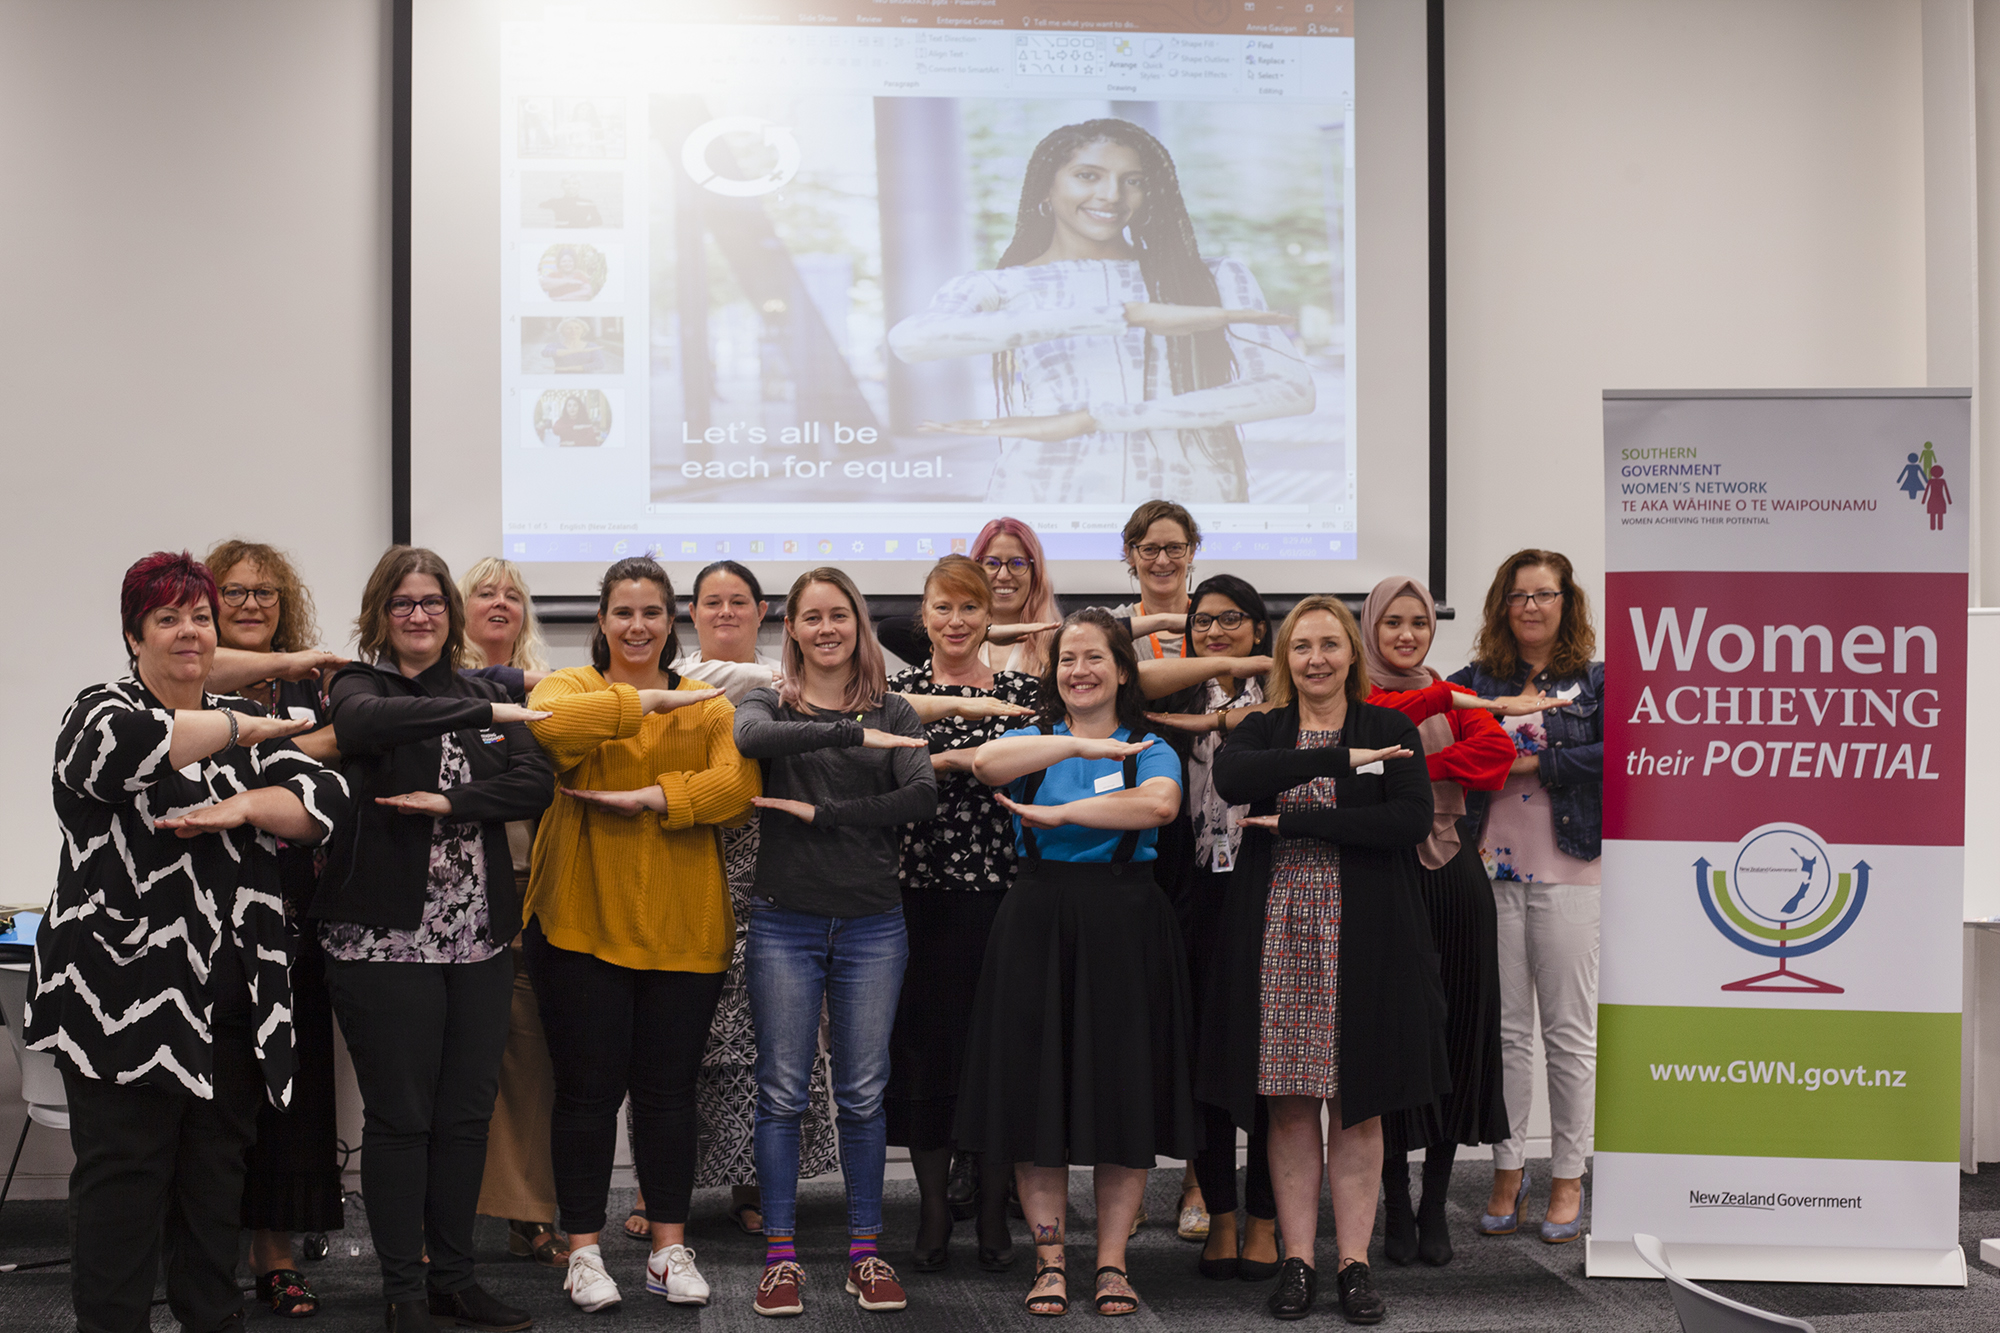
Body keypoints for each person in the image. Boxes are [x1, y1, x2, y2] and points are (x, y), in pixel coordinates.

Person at [28, 552, 347, 1333]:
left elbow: (324, 799)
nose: (189, 631)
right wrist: (242, 727)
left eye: (199, 617)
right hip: (120, 1004)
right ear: (134, 636)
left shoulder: (241, 731)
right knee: (125, 1191)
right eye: (167, 618)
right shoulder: (101, 710)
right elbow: (128, 751)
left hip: (232, 1006)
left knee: (215, 1191)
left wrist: (245, 807)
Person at [314, 546, 555, 1333]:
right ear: (381, 615)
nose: (420, 615)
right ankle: (402, 1290)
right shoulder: (361, 684)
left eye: (432, 602)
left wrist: (452, 803)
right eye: (403, 603)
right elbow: (363, 726)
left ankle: (454, 1278)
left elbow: (534, 783)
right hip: (382, 944)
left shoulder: (484, 687)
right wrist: (485, 713)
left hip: (478, 940)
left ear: (450, 615)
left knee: (464, 1117)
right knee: (401, 1118)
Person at [521, 556, 759, 1311]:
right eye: (623, 611)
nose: (637, 625)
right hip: (578, 921)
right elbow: (553, 730)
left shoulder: (714, 705)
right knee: (587, 1094)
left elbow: (739, 785)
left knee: (667, 1095)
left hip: (685, 927)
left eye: (652, 612)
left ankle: (667, 1247)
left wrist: (658, 796)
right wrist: (646, 701)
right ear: (600, 620)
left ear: (671, 620)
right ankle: (585, 1251)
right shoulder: (571, 686)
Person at [1201, 595, 1447, 1323]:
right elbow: (1234, 782)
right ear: (1286, 658)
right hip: (1276, 932)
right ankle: (1299, 1260)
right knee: (1288, 1102)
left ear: (1352, 654)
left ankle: (1355, 1264)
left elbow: (1406, 819)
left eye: (1330, 645)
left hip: (1365, 939)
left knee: (1357, 1106)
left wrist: (1302, 818)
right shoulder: (1261, 728)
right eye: (1302, 646)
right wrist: (1342, 762)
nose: (1316, 658)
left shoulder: (1391, 725)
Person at [957, 608, 1195, 1318]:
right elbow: (985, 765)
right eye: (1067, 660)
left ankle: (1115, 1263)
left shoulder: (1149, 744)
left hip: (1124, 923)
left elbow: (1160, 805)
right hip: (1037, 921)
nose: (1080, 671)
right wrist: (1073, 752)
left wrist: (1065, 817)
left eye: (1094, 658)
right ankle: (1051, 1258)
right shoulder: (1033, 739)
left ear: (1123, 669)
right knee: (1038, 1097)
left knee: (1121, 1097)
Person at [889, 118, 1312, 503]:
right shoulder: (1000, 284)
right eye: (1087, 176)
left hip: (1189, 497)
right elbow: (913, 341)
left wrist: (1101, 418)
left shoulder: (1214, 277)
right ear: (1045, 187)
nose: (1111, 195)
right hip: (1046, 491)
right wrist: (1119, 316)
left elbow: (1291, 389)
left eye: (1133, 181)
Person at [732, 568, 938, 1317]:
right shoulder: (768, 698)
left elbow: (921, 794)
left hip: (872, 923)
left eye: (838, 615)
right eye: (810, 616)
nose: (825, 628)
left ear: (858, 623)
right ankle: (781, 1256)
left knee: (861, 1092)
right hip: (785, 920)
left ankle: (864, 1251)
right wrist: (852, 732)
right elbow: (751, 738)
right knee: (782, 1090)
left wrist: (823, 815)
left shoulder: (898, 705)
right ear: (790, 627)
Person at [658, 560, 842, 1241]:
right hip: (685, 858)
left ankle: (757, 1184)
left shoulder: (790, 686)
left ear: (764, 611)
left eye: (740, 600)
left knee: (772, 1030)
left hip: (773, 864)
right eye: (713, 601)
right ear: (693, 612)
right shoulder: (673, 682)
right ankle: (663, 1184)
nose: (726, 611)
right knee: (674, 1034)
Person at [193, 540, 348, 1319]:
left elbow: (337, 772)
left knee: (292, 1100)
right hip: (213, 935)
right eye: (236, 591)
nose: (251, 604)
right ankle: (204, 1264)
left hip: (297, 925)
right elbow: (290, 765)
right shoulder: (185, 690)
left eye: (267, 593)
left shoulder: (311, 692)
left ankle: (277, 1258)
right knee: (219, 1107)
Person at [884, 556, 1038, 1272]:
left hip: (1004, 899)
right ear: (924, 616)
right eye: (942, 608)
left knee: (999, 1052)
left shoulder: (1022, 691)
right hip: (916, 899)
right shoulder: (897, 693)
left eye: (969, 609)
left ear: (988, 618)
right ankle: (935, 1207)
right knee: (927, 1056)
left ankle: (996, 1205)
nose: (955, 621)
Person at [1449, 551, 1604, 1247]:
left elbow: (1622, 747)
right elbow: (1423, 725)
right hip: (1488, 871)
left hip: (1572, 868)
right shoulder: (1478, 682)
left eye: (1546, 594)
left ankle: (1568, 1172)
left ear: (1567, 603)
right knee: (1506, 1035)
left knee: (1568, 1033)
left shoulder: (1599, 682)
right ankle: (1509, 1167)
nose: (1532, 606)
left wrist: (1537, 761)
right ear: (1500, 606)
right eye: (1519, 595)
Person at [1359, 577, 1516, 1268]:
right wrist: (1437, 717)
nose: (1406, 635)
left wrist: (1418, 764)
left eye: (1418, 622)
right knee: (1392, 1035)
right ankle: (1395, 1197)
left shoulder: (1452, 693)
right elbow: (1357, 765)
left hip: (1455, 878)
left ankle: (1434, 1203)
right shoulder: (1350, 694)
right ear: (1371, 626)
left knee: (1457, 1029)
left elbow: (1496, 758)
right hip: (1384, 876)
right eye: (1392, 622)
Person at [1138, 574, 1282, 1277]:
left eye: (1233, 620)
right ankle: (1219, 1214)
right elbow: (1127, 673)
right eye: (1203, 622)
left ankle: (1264, 1217)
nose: (1216, 631)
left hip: (1271, 898)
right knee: (1207, 1069)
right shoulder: (1171, 702)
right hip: (1195, 901)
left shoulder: (1286, 706)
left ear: (1260, 628)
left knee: (1269, 1069)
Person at [446, 556, 571, 1271]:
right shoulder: (434, 686)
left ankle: (530, 1217)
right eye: (484, 592)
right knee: (450, 1067)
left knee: (531, 1060)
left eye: (512, 594)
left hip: (532, 891)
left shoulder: (555, 693)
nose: (500, 602)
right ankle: (444, 1223)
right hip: (449, 896)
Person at [1106, 500, 1199, 660]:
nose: (1162, 561)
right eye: (1149, 549)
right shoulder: (1109, 623)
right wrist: (1163, 621)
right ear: (1129, 554)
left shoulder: (1215, 624)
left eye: (1175, 548)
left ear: (1191, 552)